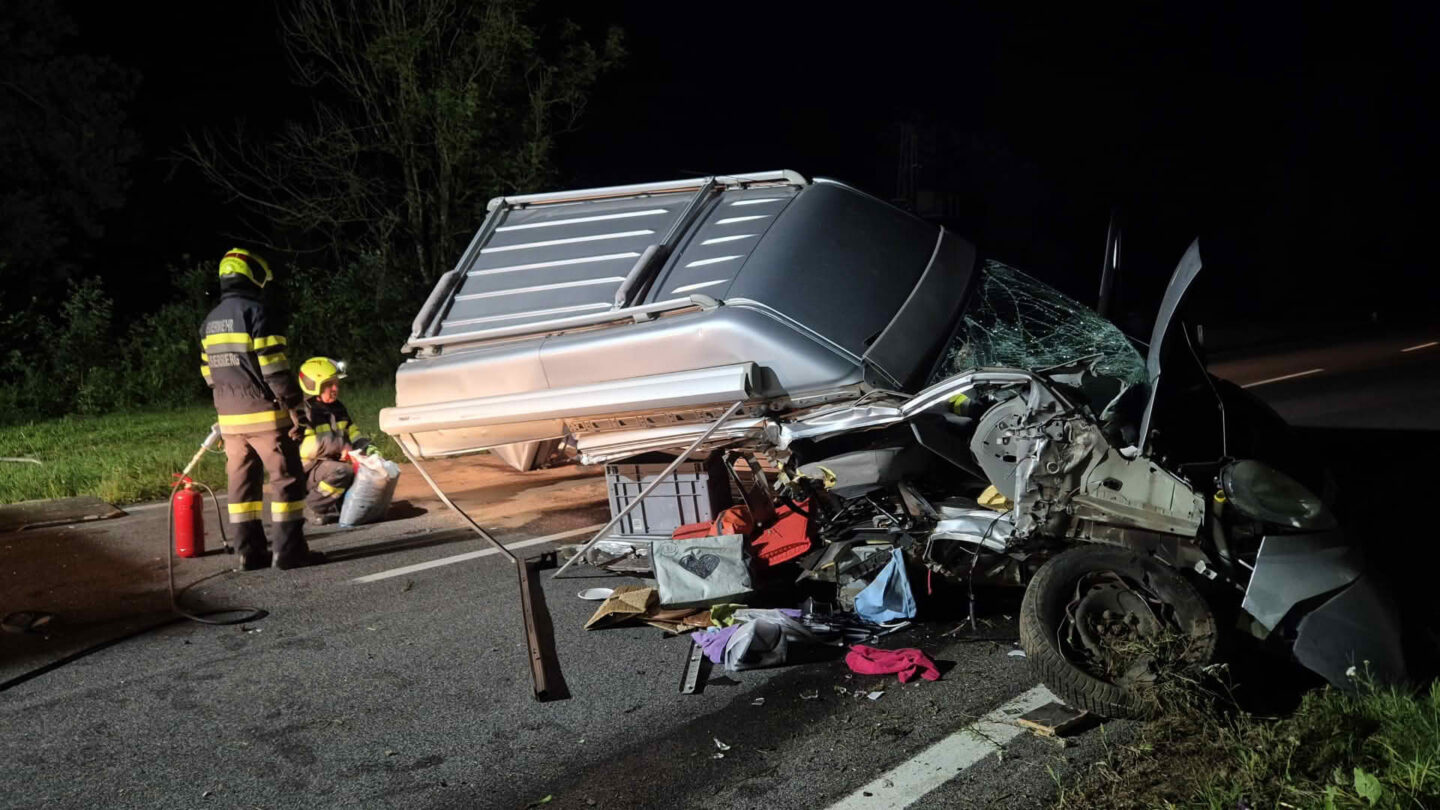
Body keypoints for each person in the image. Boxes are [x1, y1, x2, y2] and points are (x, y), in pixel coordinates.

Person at [198, 248, 325, 570]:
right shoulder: (258, 313)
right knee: (286, 481)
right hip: (267, 418)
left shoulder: (209, 322)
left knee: (242, 487)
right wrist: (297, 409)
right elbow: (275, 370)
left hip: (230, 422)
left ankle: (249, 553)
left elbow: (209, 374)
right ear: (252, 276)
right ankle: (289, 552)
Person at [296, 356, 379, 525]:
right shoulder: (303, 413)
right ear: (314, 386)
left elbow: (353, 432)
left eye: (336, 384)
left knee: (365, 468)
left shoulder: (338, 408)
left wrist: (368, 449)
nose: (335, 388)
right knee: (342, 471)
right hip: (306, 470)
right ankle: (311, 507)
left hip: (330, 464)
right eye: (328, 385)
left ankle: (343, 507)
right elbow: (305, 448)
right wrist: (342, 447)